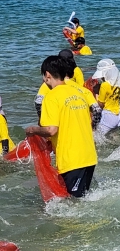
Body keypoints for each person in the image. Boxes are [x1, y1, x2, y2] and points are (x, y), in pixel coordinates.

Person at [24, 56, 99, 197]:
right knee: (84, 199)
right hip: (90, 157)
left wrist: (32, 130)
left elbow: (51, 130)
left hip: (72, 160)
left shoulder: (51, 96)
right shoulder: (80, 92)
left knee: (73, 204)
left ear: (47, 75)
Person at [96, 66, 120, 135]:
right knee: (115, 137)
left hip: (109, 114)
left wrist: (97, 93)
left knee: (97, 136)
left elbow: (100, 103)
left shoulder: (104, 85)